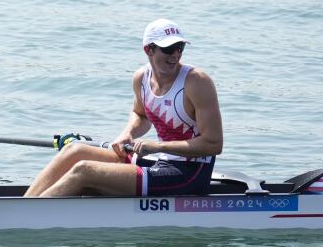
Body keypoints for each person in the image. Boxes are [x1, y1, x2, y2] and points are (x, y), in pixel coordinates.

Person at [24, 18, 222, 198]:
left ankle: (25, 219)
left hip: (188, 173)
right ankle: (24, 205)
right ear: (149, 50)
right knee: (73, 150)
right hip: (156, 160)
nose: (176, 54)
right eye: (168, 49)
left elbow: (213, 144)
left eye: (180, 47)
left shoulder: (197, 82)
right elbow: (140, 115)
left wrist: (156, 146)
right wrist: (127, 133)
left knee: (84, 170)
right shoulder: (141, 78)